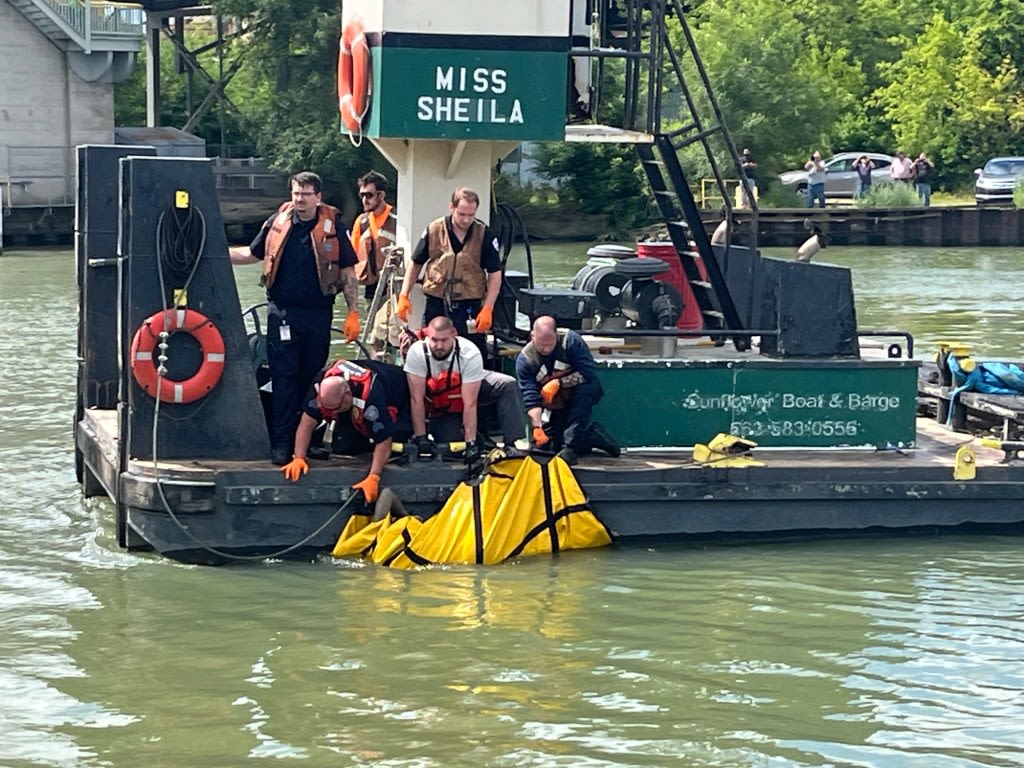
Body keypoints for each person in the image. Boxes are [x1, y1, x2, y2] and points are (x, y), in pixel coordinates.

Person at [229, 171, 361, 465]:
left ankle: (311, 441)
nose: (299, 200)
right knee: (284, 379)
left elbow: (348, 273)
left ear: (318, 197)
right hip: (283, 312)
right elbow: (253, 255)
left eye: (305, 194)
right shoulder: (277, 223)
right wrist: (218, 254)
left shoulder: (334, 229)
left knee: (313, 378)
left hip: (318, 314)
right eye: (296, 193)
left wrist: (353, 312)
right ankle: (281, 444)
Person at [280, 358, 412, 503]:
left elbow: (384, 442)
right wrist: (299, 457)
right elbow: (306, 422)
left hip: (396, 393)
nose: (331, 413)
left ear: (348, 394)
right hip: (346, 402)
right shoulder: (322, 385)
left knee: (395, 436)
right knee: (344, 447)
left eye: (334, 410)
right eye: (327, 409)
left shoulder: (371, 398)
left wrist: (374, 476)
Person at [395, 187, 503, 353]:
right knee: (431, 350)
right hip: (437, 303)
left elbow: (495, 274)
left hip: (469, 306)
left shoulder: (485, 235)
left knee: (472, 353)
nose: (466, 220)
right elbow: (416, 263)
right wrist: (404, 295)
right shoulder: (434, 230)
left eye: (471, 215)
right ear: (451, 207)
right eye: (461, 214)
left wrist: (488, 307)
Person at [403, 316, 525, 463]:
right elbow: (417, 399)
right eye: (434, 340)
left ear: (454, 334)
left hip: (469, 391)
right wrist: (421, 437)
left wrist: (470, 443)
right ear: (428, 335)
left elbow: (470, 403)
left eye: (444, 340)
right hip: (441, 405)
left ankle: (511, 445)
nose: (439, 346)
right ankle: (476, 438)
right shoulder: (417, 352)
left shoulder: (469, 352)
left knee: (507, 384)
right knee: (449, 447)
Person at [515, 315, 620, 466]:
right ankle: (594, 437)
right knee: (549, 445)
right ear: (532, 336)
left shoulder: (571, 342)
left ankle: (570, 448)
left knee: (584, 393)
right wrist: (537, 427)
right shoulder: (525, 360)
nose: (545, 349)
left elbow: (588, 373)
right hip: (557, 404)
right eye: (541, 345)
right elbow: (530, 397)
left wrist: (559, 382)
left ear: (556, 335)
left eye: (549, 345)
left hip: (581, 393)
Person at [349, 170, 398, 300]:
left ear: (381, 195)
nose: (364, 200)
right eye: (362, 195)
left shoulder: (398, 220)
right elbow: (351, 257)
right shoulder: (361, 222)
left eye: (369, 195)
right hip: (371, 288)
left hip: (393, 286)